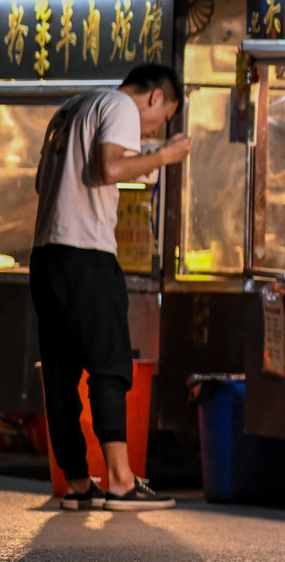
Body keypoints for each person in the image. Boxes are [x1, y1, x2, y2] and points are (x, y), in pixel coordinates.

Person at [30, 64, 192, 511]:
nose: (153, 129)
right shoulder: (120, 105)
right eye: (160, 121)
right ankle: (121, 481)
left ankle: (79, 485)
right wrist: (164, 156)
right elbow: (109, 167)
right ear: (155, 97)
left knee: (61, 374)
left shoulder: (70, 108)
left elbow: (40, 183)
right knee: (109, 364)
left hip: (46, 255)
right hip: (86, 254)